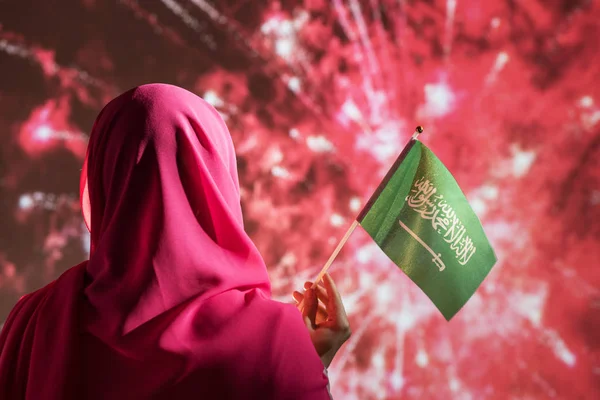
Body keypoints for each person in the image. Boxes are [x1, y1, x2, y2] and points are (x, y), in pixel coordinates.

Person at [0, 83, 351, 399]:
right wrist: (308, 366)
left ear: (103, 178)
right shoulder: (273, 342)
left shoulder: (32, 322)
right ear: (217, 179)